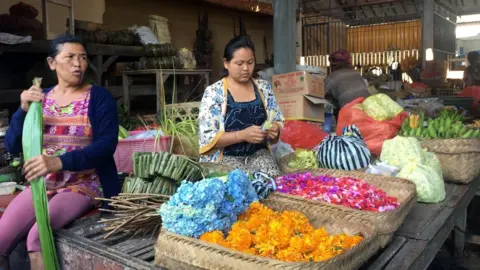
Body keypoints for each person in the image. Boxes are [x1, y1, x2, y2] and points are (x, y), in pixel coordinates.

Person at [0, 35, 120, 270]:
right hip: (42, 184)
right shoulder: (40, 99)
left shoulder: (98, 97)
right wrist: (22, 110)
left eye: (83, 58)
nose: (78, 64)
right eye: (70, 57)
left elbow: (106, 146)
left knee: (37, 239)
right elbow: (14, 146)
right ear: (52, 62)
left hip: (85, 183)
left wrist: (59, 162)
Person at [198, 36, 284, 177]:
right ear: (226, 63)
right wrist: (242, 135)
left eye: (250, 62)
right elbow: (207, 139)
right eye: (239, 63)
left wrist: (275, 129)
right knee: (239, 186)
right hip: (225, 158)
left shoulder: (264, 88)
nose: (246, 68)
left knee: (273, 183)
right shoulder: (214, 93)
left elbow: (278, 119)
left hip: (259, 155)